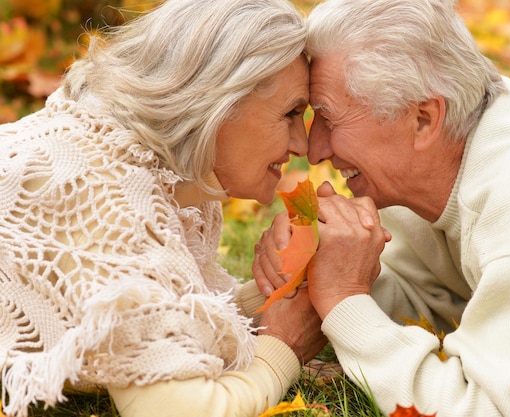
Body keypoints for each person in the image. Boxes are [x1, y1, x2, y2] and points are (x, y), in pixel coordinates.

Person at [252, 0, 510, 416]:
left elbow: (498, 409)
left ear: (424, 120)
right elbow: (436, 303)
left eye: (329, 119)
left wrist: (344, 300)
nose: (314, 149)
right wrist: (315, 267)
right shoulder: (441, 159)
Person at [0, 1, 328, 417]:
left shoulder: (163, 175)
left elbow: (164, 325)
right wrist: (284, 347)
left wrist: (292, 286)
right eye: (291, 113)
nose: (302, 146)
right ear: (218, 102)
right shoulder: (101, 193)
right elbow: (182, 410)